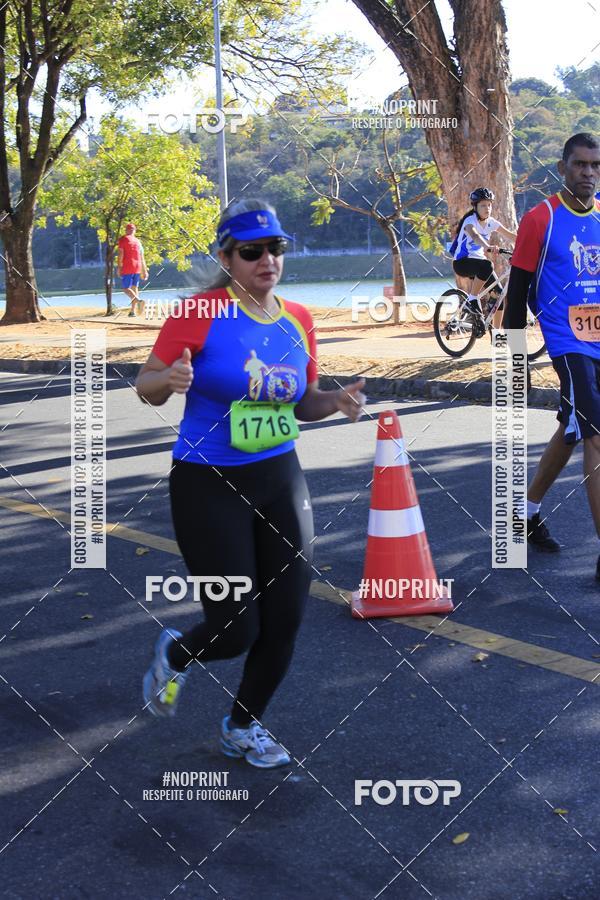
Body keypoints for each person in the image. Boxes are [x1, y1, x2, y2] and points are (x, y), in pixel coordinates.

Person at [136, 198, 366, 768]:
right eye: (252, 251)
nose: (268, 260)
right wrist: (169, 377)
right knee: (236, 628)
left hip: (279, 476)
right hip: (208, 482)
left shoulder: (299, 321)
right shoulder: (199, 313)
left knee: (286, 617)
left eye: (276, 248)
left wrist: (333, 402)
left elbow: (303, 401)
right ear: (228, 257)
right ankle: (179, 652)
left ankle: (243, 727)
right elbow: (146, 385)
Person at [503, 133, 600, 574]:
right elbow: (518, 290)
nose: (589, 174)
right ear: (563, 167)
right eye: (580, 165)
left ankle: (523, 514)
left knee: (570, 427)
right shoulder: (540, 218)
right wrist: (514, 356)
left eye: (596, 166)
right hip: (567, 341)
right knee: (595, 432)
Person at [452, 188, 517, 331]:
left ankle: (496, 335)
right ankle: (472, 298)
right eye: (483, 205)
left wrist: (532, 244)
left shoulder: (491, 222)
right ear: (475, 207)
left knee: (498, 295)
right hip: (462, 263)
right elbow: (475, 236)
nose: (487, 208)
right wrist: (487, 246)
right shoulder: (470, 221)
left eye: (489, 205)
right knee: (488, 265)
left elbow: (512, 236)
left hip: (479, 264)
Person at [117, 223, 149, 317]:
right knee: (134, 288)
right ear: (134, 231)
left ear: (126, 230)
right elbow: (142, 257)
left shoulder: (123, 240)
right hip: (137, 267)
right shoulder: (138, 242)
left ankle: (138, 301)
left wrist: (119, 267)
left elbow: (120, 255)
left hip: (128, 267)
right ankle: (132, 312)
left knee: (126, 289)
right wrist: (145, 271)